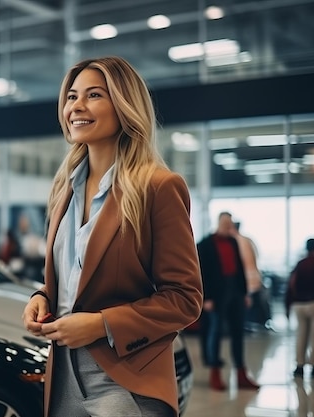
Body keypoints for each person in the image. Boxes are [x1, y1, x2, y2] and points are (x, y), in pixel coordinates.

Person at [21, 56, 203, 417]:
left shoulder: (158, 187)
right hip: (63, 377)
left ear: (124, 105)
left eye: (94, 95)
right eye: (72, 96)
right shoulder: (64, 190)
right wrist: (41, 297)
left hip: (126, 378)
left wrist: (101, 324)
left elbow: (184, 299)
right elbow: (74, 278)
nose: (77, 106)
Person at [197, 211, 260, 391]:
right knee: (215, 332)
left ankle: (241, 373)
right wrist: (206, 298)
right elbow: (201, 273)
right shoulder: (205, 245)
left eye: (230, 224)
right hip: (216, 294)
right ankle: (215, 372)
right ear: (219, 224)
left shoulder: (233, 242)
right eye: (225, 224)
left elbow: (239, 268)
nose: (228, 227)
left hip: (235, 290)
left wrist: (245, 293)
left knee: (238, 332)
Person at [285, 238, 314, 378]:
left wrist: (288, 306)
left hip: (299, 305)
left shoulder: (299, 264)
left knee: (301, 335)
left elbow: (291, 285)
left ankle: (299, 366)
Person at [230, 220, 272, 331]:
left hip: (247, 280)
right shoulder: (248, 240)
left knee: (245, 308)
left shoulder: (237, 241)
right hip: (255, 277)